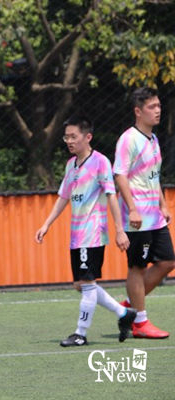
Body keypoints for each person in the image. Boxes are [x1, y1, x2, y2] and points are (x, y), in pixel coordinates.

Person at [35, 115, 137, 347]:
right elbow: (63, 197)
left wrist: (119, 230)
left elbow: (111, 196)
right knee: (81, 284)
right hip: (76, 235)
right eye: (66, 137)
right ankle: (124, 314)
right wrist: (46, 224)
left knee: (87, 283)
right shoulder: (71, 165)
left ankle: (80, 334)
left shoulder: (100, 162)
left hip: (92, 233)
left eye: (74, 137)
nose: (69, 141)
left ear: (87, 137)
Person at [113, 87, 175, 339]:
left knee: (168, 262)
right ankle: (139, 323)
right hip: (137, 218)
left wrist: (163, 204)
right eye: (152, 107)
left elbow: (153, 175)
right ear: (138, 111)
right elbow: (120, 175)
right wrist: (133, 209)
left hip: (154, 216)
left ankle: (130, 305)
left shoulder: (154, 139)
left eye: (158, 105)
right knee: (137, 267)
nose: (158, 110)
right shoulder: (128, 139)